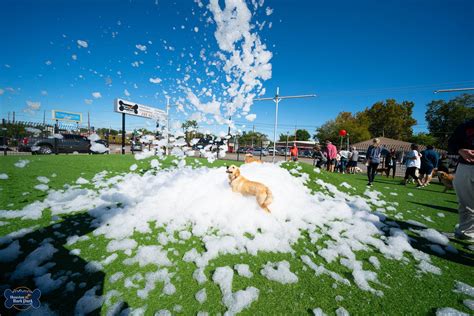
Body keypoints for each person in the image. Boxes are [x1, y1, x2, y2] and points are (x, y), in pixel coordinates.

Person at [448, 118, 474, 242]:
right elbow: (452, 143)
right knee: (464, 202)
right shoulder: (466, 125)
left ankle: (468, 232)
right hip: (466, 166)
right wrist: (460, 150)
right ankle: (465, 231)